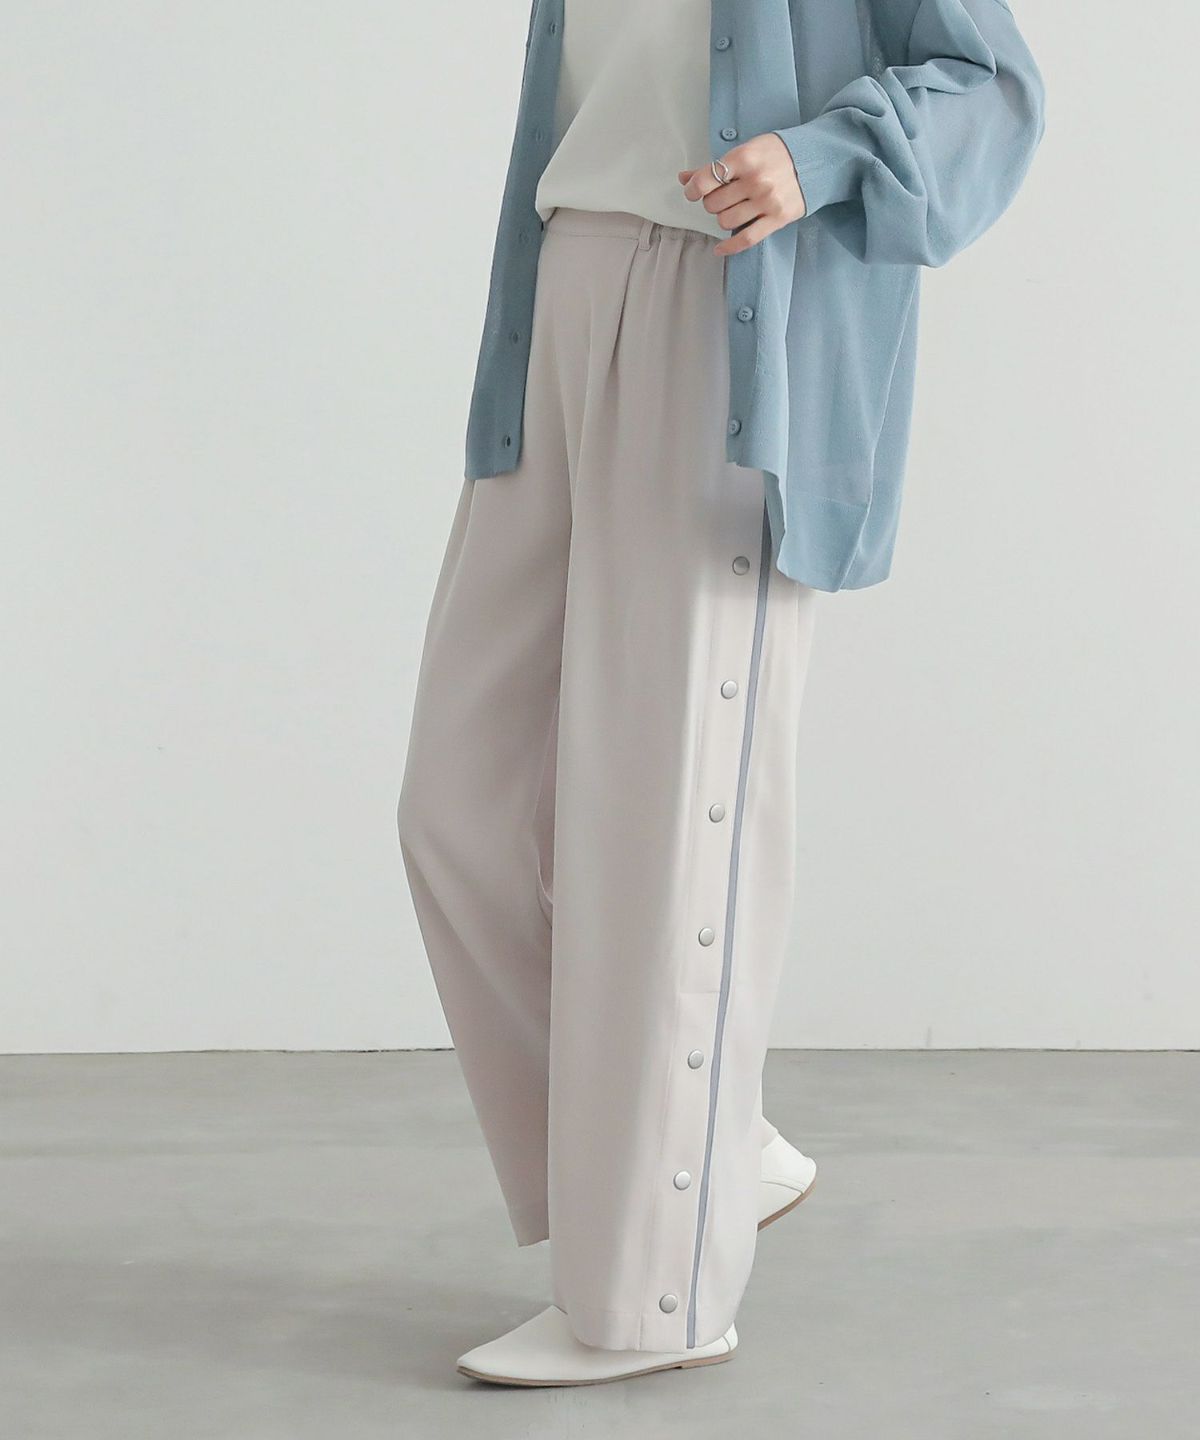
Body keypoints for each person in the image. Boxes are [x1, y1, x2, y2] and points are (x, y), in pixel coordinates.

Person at [398, 0, 1044, 1388]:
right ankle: (702, 1150)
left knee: (664, 823)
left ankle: (655, 1294)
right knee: (459, 808)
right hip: (561, 292)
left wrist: (821, 156)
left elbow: (992, 87)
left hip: (729, 313)